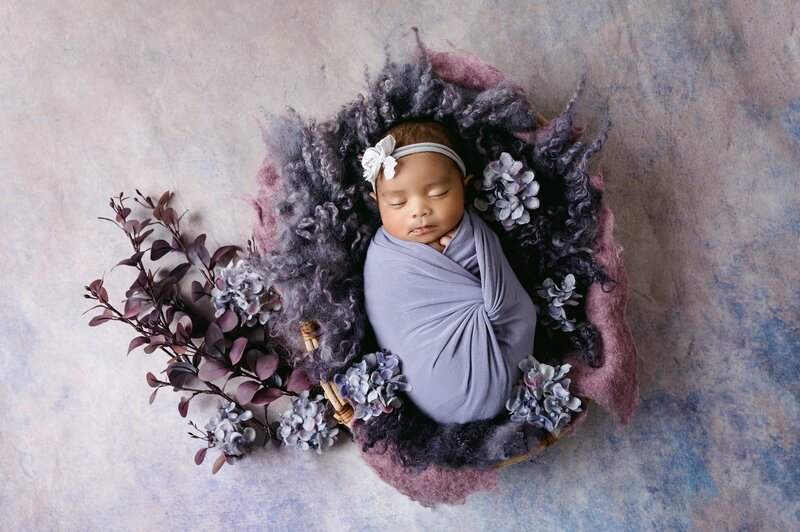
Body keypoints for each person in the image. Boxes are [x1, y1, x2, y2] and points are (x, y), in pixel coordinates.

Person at [362, 120, 538, 425]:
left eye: (438, 193)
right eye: (398, 202)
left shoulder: (476, 235)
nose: (418, 211)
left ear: (464, 187)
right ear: (378, 203)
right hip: (429, 380)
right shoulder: (382, 257)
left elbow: (506, 300)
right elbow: (391, 315)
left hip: (501, 361)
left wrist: (467, 246)